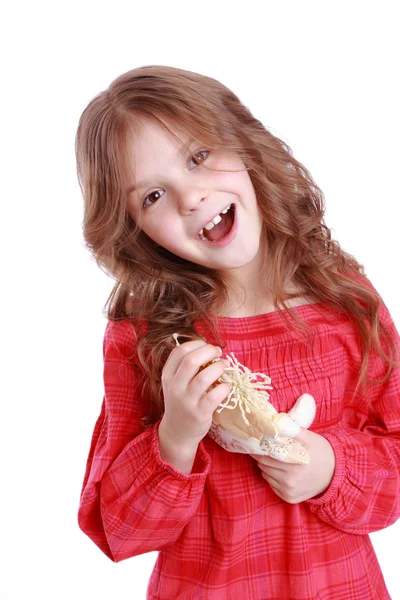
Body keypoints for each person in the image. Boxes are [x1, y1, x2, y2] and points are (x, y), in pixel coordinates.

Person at [76, 65, 400, 599]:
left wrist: (331, 469)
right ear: (132, 229)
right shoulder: (148, 336)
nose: (191, 198)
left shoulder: (346, 301)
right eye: (153, 196)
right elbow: (119, 532)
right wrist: (175, 437)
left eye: (199, 157)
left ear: (244, 144)